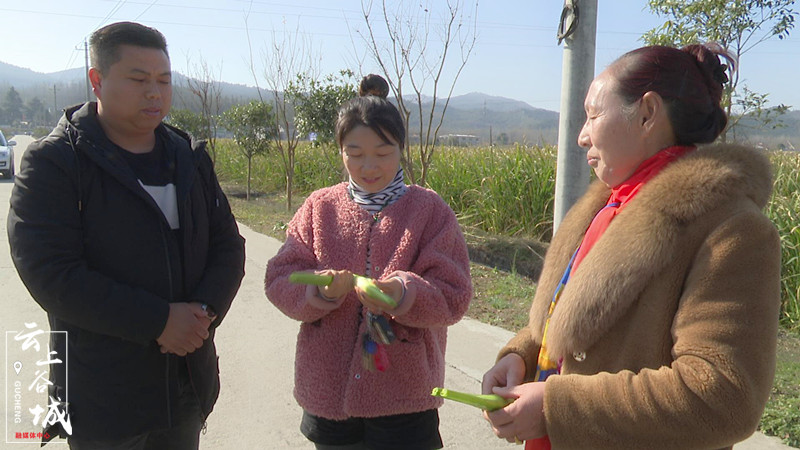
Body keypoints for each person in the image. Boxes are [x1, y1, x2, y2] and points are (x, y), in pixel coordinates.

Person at [481, 43, 780, 450]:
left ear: (647, 113)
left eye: (593, 115)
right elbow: (577, 319)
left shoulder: (733, 229)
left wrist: (557, 407)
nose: (582, 137)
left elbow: (723, 396)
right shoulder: (608, 205)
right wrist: (521, 356)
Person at [7, 21, 245, 449]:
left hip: (185, 384)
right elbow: (52, 275)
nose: (155, 92)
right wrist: (157, 322)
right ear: (96, 81)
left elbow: (228, 245)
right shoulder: (57, 163)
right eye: (138, 80)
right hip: (102, 395)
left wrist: (202, 314)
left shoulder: (187, 157)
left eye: (164, 80)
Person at [265, 74, 472, 450]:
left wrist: (403, 293)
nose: (369, 165)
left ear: (401, 149)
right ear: (340, 151)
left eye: (383, 152)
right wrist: (319, 291)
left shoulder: (429, 210)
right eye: (355, 153)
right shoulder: (319, 207)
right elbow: (280, 277)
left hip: (405, 395)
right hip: (328, 393)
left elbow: (453, 294)